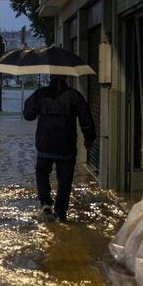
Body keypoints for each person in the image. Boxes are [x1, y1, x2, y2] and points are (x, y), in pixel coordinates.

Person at [22, 74, 96, 222]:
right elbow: (86, 119)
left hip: (45, 144)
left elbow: (28, 115)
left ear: (50, 77)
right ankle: (61, 213)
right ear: (66, 77)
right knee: (65, 180)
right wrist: (89, 138)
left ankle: (46, 203)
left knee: (42, 173)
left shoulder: (41, 94)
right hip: (66, 146)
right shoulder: (74, 96)